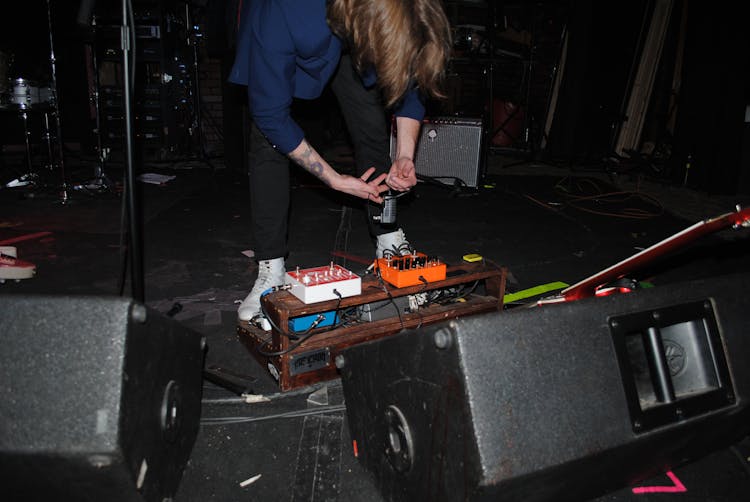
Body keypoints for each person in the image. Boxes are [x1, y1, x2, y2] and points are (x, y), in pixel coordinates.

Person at [229, 0, 451, 324]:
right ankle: (271, 268)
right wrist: (332, 178)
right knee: (268, 143)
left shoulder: (398, 12)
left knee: (371, 124)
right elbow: (270, 114)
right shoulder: (284, 11)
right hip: (298, 25)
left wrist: (404, 154)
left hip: (357, 28)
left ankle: (388, 239)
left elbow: (410, 83)